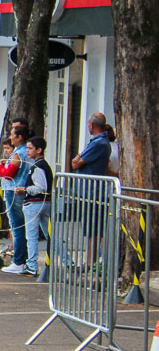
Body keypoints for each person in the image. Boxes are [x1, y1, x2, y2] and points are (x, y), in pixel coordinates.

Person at [71, 112, 114, 266]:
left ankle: (92, 262)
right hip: (91, 191)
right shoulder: (99, 142)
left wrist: (77, 159)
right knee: (92, 228)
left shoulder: (98, 143)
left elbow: (76, 163)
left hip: (93, 192)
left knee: (93, 228)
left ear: (91, 124)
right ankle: (96, 261)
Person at [0, 123, 31, 274]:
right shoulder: (21, 152)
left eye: (12, 135)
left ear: (19, 137)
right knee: (20, 226)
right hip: (19, 190)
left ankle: (19, 260)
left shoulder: (19, 153)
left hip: (14, 190)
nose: (10, 137)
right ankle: (22, 259)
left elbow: (8, 174)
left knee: (16, 226)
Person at [15, 136, 52, 277]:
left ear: (39, 150)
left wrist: (24, 189)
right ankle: (68, 262)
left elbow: (40, 187)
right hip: (45, 202)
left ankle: (31, 265)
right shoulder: (43, 165)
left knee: (31, 236)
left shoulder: (38, 166)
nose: (28, 151)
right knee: (50, 234)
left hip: (35, 203)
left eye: (30, 148)